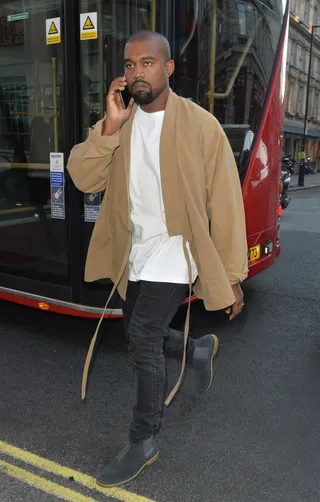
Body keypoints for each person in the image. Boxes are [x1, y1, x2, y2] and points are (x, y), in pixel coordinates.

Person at [67, 30, 248, 487]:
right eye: (129, 65)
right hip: (136, 247)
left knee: (143, 337)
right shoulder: (120, 124)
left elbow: (225, 202)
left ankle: (143, 439)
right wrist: (107, 127)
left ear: (169, 68)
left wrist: (229, 277)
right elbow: (84, 178)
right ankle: (196, 349)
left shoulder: (200, 125)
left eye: (147, 63)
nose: (136, 72)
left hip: (176, 248)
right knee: (137, 330)